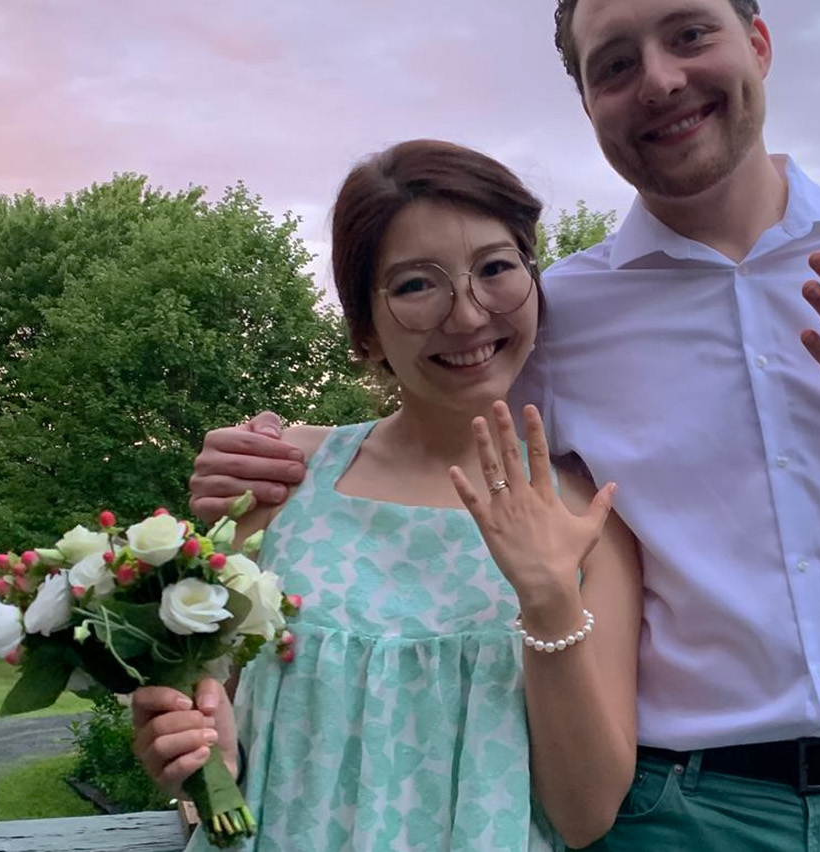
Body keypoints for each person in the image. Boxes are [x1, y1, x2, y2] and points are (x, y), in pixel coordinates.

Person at [192, 0, 820, 852]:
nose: (660, 80)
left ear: (758, 41)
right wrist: (285, 454)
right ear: (587, 102)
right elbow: (442, 434)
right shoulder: (558, 317)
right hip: (672, 817)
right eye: (615, 63)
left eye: (689, 35)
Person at [132, 139, 643, 852]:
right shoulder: (281, 481)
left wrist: (549, 594)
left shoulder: (591, 519)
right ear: (364, 331)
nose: (466, 316)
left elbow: (586, 814)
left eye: (495, 268)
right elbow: (215, 736)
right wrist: (192, 760)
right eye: (415, 285)